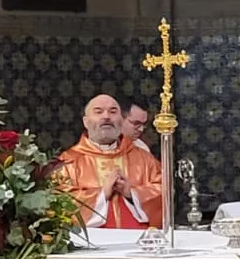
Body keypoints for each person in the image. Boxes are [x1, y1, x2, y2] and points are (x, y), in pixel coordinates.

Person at [59, 94, 164, 229]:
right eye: (98, 111)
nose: (106, 116)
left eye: (113, 111)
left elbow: (163, 191)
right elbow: (59, 201)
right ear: (86, 122)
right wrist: (102, 194)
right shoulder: (68, 162)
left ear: (121, 120)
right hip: (91, 244)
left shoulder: (143, 158)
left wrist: (131, 194)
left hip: (137, 241)